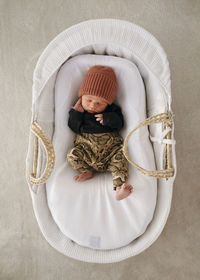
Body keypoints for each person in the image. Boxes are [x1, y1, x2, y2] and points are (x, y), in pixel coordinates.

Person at [66, 65, 133, 200]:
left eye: (99, 103)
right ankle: (87, 171)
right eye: (89, 100)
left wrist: (108, 118)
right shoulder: (80, 112)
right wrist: (76, 114)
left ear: (108, 104)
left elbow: (120, 124)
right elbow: (73, 127)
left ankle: (120, 187)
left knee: (120, 160)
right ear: (82, 96)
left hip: (110, 152)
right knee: (72, 155)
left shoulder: (112, 111)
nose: (92, 106)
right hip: (87, 151)